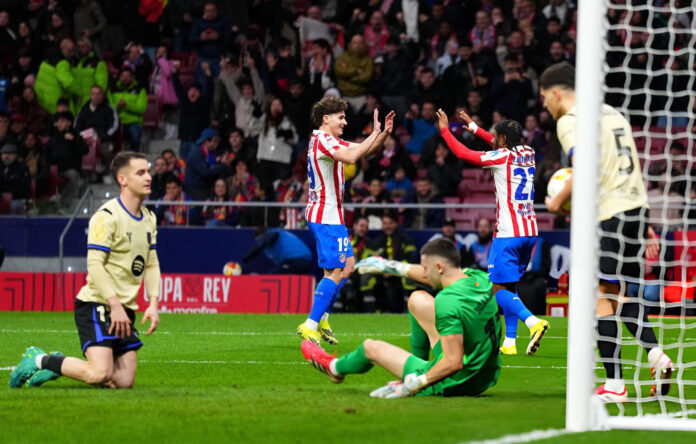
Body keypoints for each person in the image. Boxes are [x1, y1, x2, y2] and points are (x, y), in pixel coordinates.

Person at [540, 61, 674, 401]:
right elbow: (628, 168)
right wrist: (647, 227)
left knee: (599, 296)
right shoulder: (613, 114)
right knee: (618, 293)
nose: (544, 105)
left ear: (556, 93)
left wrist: (557, 202)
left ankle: (615, 384)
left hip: (609, 214)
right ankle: (656, 355)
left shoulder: (571, 121)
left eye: (543, 97)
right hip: (636, 209)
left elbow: (585, 164)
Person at [9, 151, 160, 389]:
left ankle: (59, 364)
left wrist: (153, 303)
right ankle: (38, 359)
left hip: (124, 309)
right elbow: (94, 264)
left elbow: (151, 263)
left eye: (148, 171)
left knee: (123, 382)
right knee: (100, 374)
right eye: (140, 172)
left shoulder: (149, 218)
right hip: (97, 304)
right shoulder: (106, 216)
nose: (148, 177)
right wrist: (114, 304)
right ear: (122, 179)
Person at [302, 238, 501, 400]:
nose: (424, 273)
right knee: (418, 299)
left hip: (459, 380)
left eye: (426, 268)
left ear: (439, 267)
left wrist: (416, 383)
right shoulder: (479, 278)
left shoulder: (447, 301)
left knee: (370, 348)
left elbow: (453, 362)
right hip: (485, 372)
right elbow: (429, 276)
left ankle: (335, 369)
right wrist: (388, 266)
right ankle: (417, 364)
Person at [436, 108, 549, 356]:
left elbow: (463, 153)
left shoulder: (501, 158)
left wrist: (445, 131)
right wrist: (475, 129)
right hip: (530, 231)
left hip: (508, 234)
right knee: (509, 286)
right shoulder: (528, 153)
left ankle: (533, 322)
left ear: (504, 140)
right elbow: (497, 143)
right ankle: (509, 342)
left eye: (497, 136)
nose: (494, 139)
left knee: (496, 291)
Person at [297, 96, 394, 346]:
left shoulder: (328, 140)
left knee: (347, 266)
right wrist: (375, 134)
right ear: (325, 118)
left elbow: (361, 150)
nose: (345, 121)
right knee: (335, 271)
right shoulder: (324, 140)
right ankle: (310, 325)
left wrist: (381, 134)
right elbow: (352, 158)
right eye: (340, 117)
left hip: (331, 215)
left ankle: (322, 318)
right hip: (325, 215)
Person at [183, 128, 232, 200]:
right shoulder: (196, 153)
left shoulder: (210, 152)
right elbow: (206, 171)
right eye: (214, 141)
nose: (216, 144)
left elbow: (212, 167)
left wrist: (220, 163)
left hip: (204, 187)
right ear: (206, 141)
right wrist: (223, 165)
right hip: (194, 188)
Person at [242, 227, 313, 274]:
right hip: (306, 261)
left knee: (272, 278)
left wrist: (245, 258)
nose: (258, 242)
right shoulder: (281, 235)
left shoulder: (271, 233)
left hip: (296, 260)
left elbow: (260, 245)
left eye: (258, 240)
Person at [107, 67, 147, 151]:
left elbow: (141, 108)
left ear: (132, 77)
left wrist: (126, 105)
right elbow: (108, 106)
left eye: (128, 76)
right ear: (119, 77)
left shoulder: (140, 90)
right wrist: (117, 105)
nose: (125, 78)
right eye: (123, 76)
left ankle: (134, 155)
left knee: (135, 135)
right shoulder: (112, 89)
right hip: (115, 121)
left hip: (133, 122)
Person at [0, 143, 31, 214]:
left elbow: (24, 187)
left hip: (16, 198)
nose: (7, 156)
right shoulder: (1, 167)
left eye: (10, 154)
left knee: (14, 205)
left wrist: (8, 196)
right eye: (4, 153)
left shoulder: (22, 168)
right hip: (1, 198)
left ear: (15, 155)